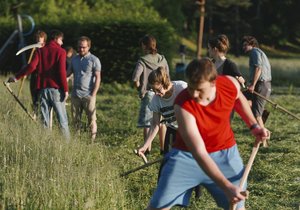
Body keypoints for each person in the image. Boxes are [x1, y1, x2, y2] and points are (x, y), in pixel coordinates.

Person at [146, 58, 270, 210]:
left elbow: (238, 98)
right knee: (157, 206)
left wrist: (254, 126)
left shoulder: (229, 83)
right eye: (191, 88)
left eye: (200, 89)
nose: (194, 94)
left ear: (213, 82)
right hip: (187, 157)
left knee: (238, 206)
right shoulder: (182, 104)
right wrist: (226, 187)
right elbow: (198, 151)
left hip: (226, 154)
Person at [7, 30, 70, 140]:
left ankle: (45, 145)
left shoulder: (40, 51)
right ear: (56, 39)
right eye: (61, 40)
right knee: (62, 121)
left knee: (44, 123)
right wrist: (65, 89)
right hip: (56, 91)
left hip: (42, 90)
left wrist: (16, 77)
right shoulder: (61, 51)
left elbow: (31, 67)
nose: (62, 43)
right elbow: (61, 72)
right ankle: (67, 147)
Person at [137, 66, 187, 156]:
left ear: (164, 82)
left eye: (158, 89)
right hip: (172, 131)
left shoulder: (181, 88)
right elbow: (155, 124)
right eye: (153, 90)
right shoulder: (156, 100)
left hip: (189, 129)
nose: (155, 93)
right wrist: (145, 146)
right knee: (168, 162)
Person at [132, 34, 169, 153]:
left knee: (148, 123)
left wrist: (140, 90)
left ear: (144, 46)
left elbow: (135, 78)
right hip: (162, 93)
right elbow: (167, 76)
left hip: (148, 93)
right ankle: (163, 149)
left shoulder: (142, 60)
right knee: (162, 122)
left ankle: (147, 149)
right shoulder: (162, 59)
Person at [67, 36, 101, 141]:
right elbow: (67, 74)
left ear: (89, 47)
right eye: (79, 47)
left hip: (88, 95)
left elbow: (98, 78)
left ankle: (91, 141)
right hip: (75, 95)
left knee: (92, 119)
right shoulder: (74, 59)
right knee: (75, 120)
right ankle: (76, 141)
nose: (81, 49)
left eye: (84, 47)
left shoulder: (94, 60)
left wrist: (93, 94)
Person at [208, 34, 246, 121]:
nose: (208, 50)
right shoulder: (210, 64)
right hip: (210, 102)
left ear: (215, 49)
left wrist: (241, 81)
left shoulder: (230, 65)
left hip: (225, 104)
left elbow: (242, 85)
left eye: (209, 48)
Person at [242, 36, 272, 128]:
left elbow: (258, 68)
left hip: (261, 85)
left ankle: (264, 137)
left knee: (257, 116)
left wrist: (253, 85)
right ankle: (261, 111)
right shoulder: (257, 53)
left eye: (245, 45)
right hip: (261, 85)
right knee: (240, 97)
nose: (243, 47)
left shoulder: (255, 52)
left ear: (252, 45)